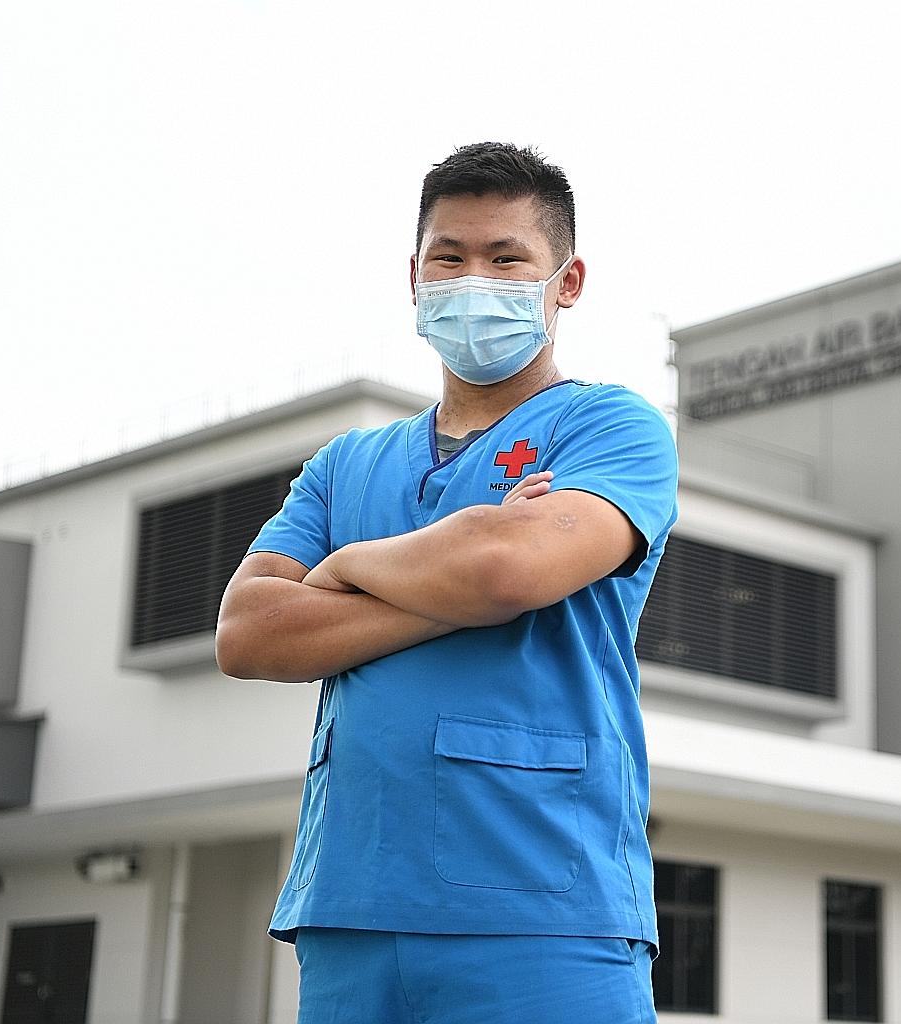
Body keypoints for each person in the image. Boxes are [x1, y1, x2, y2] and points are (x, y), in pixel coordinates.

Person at [215, 142, 677, 1024]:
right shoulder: (345, 464)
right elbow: (248, 633)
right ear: (414, 274)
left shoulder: (612, 427)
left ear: (566, 281)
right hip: (349, 905)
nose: (474, 281)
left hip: (544, 904)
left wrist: (347, 568)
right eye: (449, 258)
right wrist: (453, 565)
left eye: (508, 259)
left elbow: (509, 570)